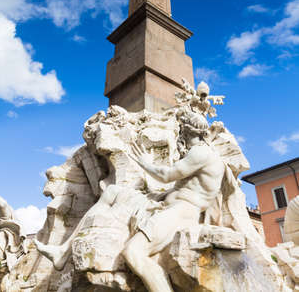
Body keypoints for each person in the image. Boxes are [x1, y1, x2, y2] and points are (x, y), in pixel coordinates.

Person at [35, 113, 225, 292]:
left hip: (180, 213)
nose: (180, 134)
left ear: (188, 130)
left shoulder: (200, 153)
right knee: (112, 192)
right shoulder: (202, 154)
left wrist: (144, 162)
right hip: (163, 203)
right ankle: (62, 251)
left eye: (182, 129)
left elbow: (166, 175)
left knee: (134, 253)